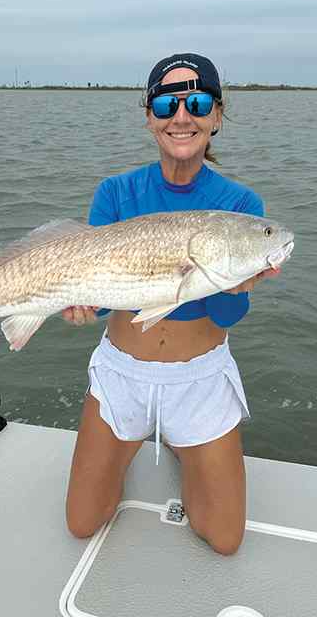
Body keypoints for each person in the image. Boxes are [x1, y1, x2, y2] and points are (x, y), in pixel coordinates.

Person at [63, 53, 279, 556]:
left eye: (198, 102)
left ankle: (185, 443)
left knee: (223, 539)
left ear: (217, 117)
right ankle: (135, 442)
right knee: (81, 522)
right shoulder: (115, 192)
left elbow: (225, 316)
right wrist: (80, 307)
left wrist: (237, 289)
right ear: (149, 116)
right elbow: (98, 299)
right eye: (166, 103)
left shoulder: (241, 209)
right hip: (123, 376)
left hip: (199, 379)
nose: (182, 116)